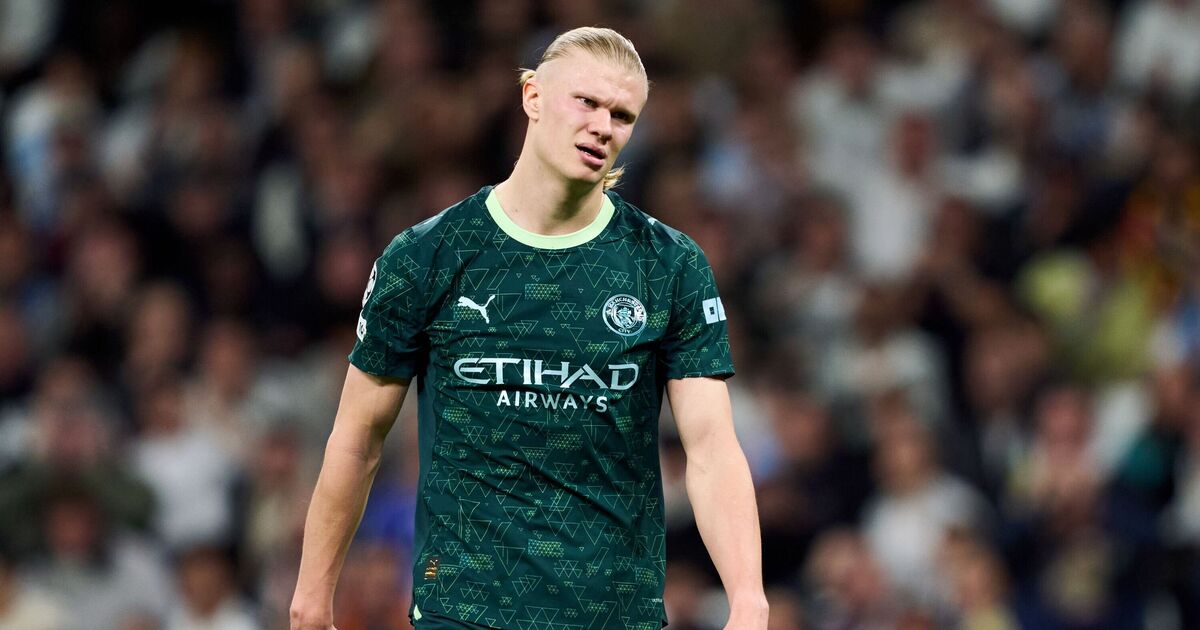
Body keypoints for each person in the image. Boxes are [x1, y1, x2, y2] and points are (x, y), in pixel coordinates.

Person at [290, 27, 767, 630]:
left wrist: (748, 596)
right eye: (586, 102)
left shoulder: (668, 265)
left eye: (622, 115)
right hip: (463, 612)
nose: (603, 126)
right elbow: (358, 438)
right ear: (533, 97)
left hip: (613, 614)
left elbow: (712, 449)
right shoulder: (428, 256)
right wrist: (312, 596)